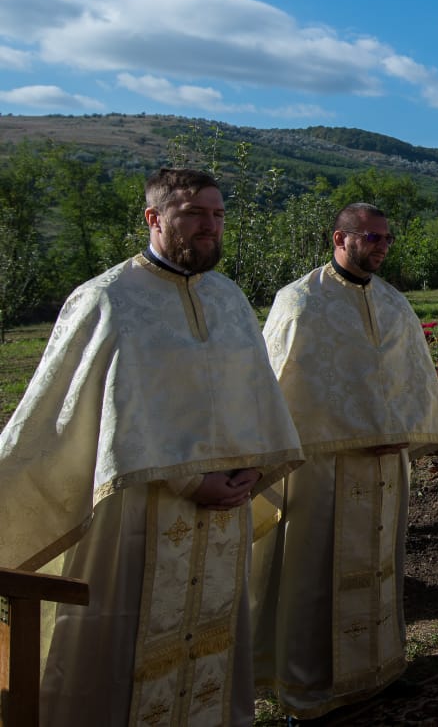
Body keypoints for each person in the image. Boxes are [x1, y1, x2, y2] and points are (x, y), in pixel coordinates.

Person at [0, 167, 303, 727]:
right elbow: (71, 415)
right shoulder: (107, 299)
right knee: (123, 647)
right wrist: (190, 479)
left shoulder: (230, 298)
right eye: (193, 214)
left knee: (214, 638)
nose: (209, 227)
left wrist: (251, 473)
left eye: (216, 214)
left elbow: (254, 396)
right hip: (137, 513)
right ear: (154, 218)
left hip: (226, 510)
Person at [251, 202, 438, 719]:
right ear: (340, 238)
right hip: (322, 468)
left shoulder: (393, 302)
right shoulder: (299, 301)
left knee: (382, 570)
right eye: (372, 237)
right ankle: (306, 688)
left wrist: (403, 432)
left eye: (387, 238)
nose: (382, 246)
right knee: (314, 576)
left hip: (386, 466)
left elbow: (412, 376)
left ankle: (379, 672)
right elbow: (277, 385)